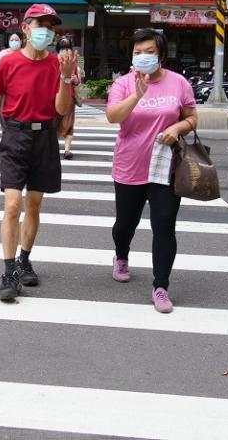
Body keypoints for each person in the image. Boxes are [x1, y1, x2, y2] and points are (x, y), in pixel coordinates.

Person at [0, 3, 77, 301]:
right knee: (11, 206)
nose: (46, 30)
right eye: (39, 24)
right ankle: (9, 272)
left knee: (33, 206)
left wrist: (67, 78)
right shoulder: (8, 62)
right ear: (25, 28)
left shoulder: (58, 63)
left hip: (44, 137)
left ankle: (25, 259)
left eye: (50, 25)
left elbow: (61, 109)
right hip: (15, 136)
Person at [105, 28, 198, 313]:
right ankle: (121, 255)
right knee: (125, 225)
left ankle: (161, 286)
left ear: (161, 55)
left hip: (166, 168)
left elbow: (192, 117)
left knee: (164, 227)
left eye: (149, 52)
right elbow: (112, 117)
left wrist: (178, 127)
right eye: (137, 52)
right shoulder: (123, 84)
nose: (142, 57)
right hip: (130, 165)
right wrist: (137, 95)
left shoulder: (179, 83)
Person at [56, 36, 83, 160]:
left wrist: (76, 81)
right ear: (58, 51)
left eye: (68, 49)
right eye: (63, 49)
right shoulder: (52, 64)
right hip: (54, 99)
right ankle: (52, 147)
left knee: (69, 124)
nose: (66, 52)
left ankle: (67, 150)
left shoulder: (75, 65)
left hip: (70, 98)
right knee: (53, 124)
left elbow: (79, 83)